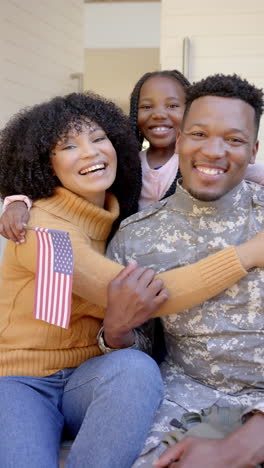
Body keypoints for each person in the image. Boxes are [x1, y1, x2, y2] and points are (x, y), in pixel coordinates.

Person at [0, 91, 261, 468]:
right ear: (45, 162)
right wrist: (248, 254)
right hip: (24, 381)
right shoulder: (44, 229)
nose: (90, 153)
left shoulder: (110, 210)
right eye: (69, 146)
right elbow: (146, 294)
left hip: (85, 377)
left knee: (135, 370)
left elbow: (215, 163)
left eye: (99, 138)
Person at [106, 74, 264, 467]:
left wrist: (244, 443)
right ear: (179, 140)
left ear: (253, 151)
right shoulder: (136, 238)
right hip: (201, 403)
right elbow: (137, 354)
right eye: (198, 134)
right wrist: (118, 331)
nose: (213, 151)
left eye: (234, 139)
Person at [130, 69, 264, 210]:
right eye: (146, 107)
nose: (159, 115)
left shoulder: (205, 161)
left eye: (172, 106)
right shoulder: (130, 164)